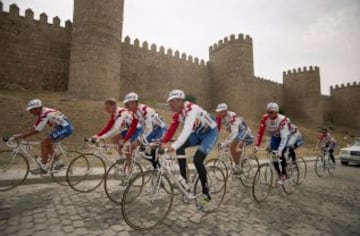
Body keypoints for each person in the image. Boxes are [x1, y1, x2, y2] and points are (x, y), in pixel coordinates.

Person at [162, 89, 218, 210]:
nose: (170, 104)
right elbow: (171, 129)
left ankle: (206, 193)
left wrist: (173, 146)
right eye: (169, 102)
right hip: (197, 133)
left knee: (197, 160)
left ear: (181, 101)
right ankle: (185, 183)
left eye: (173, 101)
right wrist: (161, 142)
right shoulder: (178, 114)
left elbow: (187, 130)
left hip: (210, 133)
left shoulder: (191, 108)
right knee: (180, 148)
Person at [11, 99, 73, 174]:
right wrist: (21, 135)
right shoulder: (43, 113)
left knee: (44, 143)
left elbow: (37, 130)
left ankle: (44, 166)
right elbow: (34, 127)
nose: (30, 112)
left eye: (31, 110)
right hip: (60, 128)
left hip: (65, 128)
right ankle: (59, 162)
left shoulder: (46, 114)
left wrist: (20, 136)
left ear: (37, 108)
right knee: (48, 144)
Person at [122, 92, 167, 168]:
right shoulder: (135, 112)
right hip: (152, 131)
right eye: (125, 104)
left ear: (133, 102)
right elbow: (133, 127)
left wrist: (139, 140)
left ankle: (160, 165)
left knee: (154, 150)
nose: (125, 106)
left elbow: (149, 127)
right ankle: (157, 166)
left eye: (127, 104)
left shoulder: (144, 110)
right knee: (141, 150)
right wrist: (125, 140)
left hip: (160, 129)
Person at [254, 102, 294, 184]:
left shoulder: (282, 120)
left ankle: (285, 175)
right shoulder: (265, 118)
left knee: (280, 154)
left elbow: (284, 137)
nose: (269, 114)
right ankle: (280, 175)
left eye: (271, 112)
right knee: (274, 156)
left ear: (276, 112)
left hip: (285, 136)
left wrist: (279, 151)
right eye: (267, 111)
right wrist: (257, 145)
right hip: (275, 137)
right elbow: (260, 133)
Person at [215, 103, 254, 174]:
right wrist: (227, 142)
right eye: (218, 111)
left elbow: (235, 132)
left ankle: (237, 167)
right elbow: (230, 131)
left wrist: (226, 142)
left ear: (225, 111)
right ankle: (238, 163)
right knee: (231, 145)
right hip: (238, 132)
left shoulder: (231, 116)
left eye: (221, 111)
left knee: (233, 145)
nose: (219, 113)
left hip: (245, 132)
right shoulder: (223, 119)